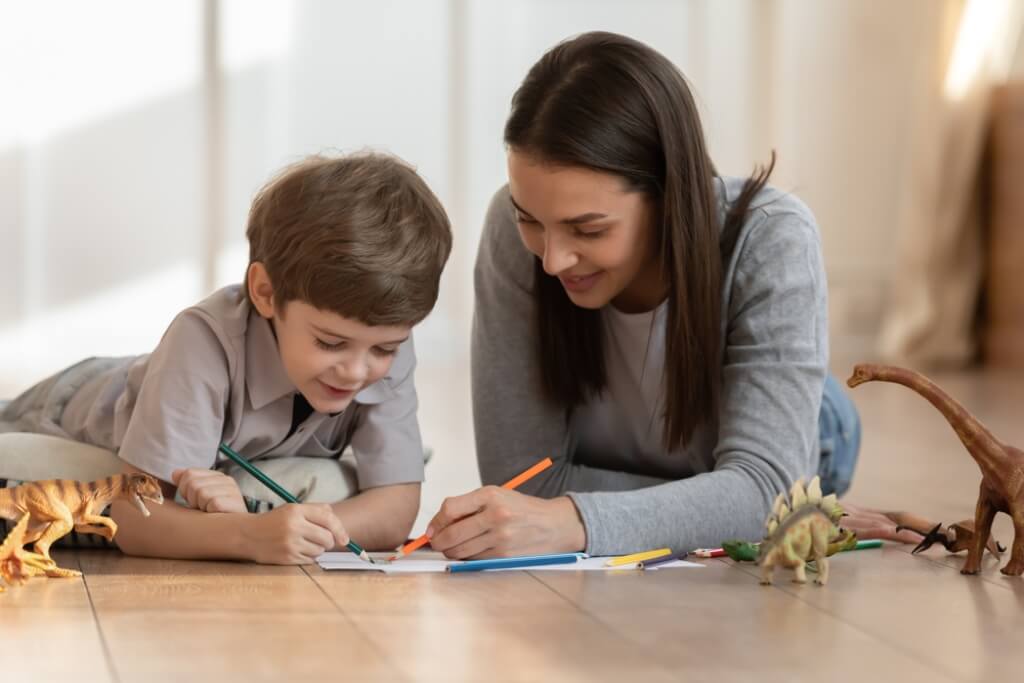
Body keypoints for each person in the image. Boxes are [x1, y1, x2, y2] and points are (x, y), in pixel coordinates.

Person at [426, 31, 909, 559]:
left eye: (588, 230)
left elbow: (769, 487)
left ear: (669, 196)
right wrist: (731, 506)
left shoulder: (772, 235)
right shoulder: (509, 230)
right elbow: (523, 484)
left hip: (810, 435)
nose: (552, 259)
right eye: (531, 220)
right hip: (698, 462)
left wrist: (574, 519)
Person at [0, 152, 452, 564]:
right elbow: (136, 519)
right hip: (74, 400)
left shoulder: (380, 334)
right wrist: (251, 535)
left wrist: (296, 531)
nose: (358, 370)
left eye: (384, 349)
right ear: (265, 293)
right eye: (330, 344)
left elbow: (394, 509)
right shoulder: (201, 342)